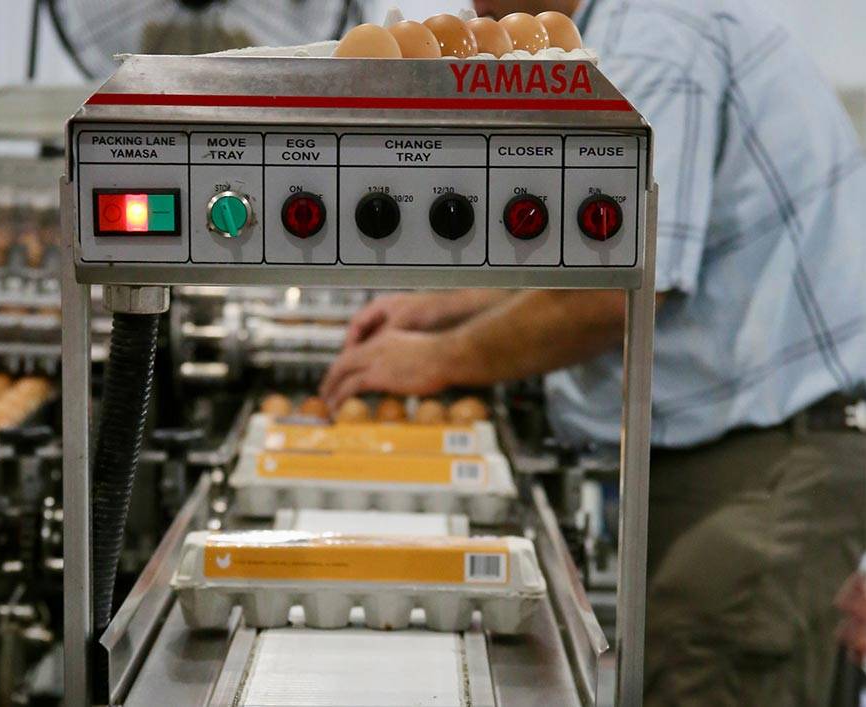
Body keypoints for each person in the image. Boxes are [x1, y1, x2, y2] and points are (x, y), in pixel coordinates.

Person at [321, 0, 866, 704]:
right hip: (713, 462)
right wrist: (443, 305)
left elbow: (622, 285)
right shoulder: (589, 40)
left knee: (708, 658)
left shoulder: (660, 38)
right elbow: (578, 248)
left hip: (766, 471)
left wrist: (439, 357)